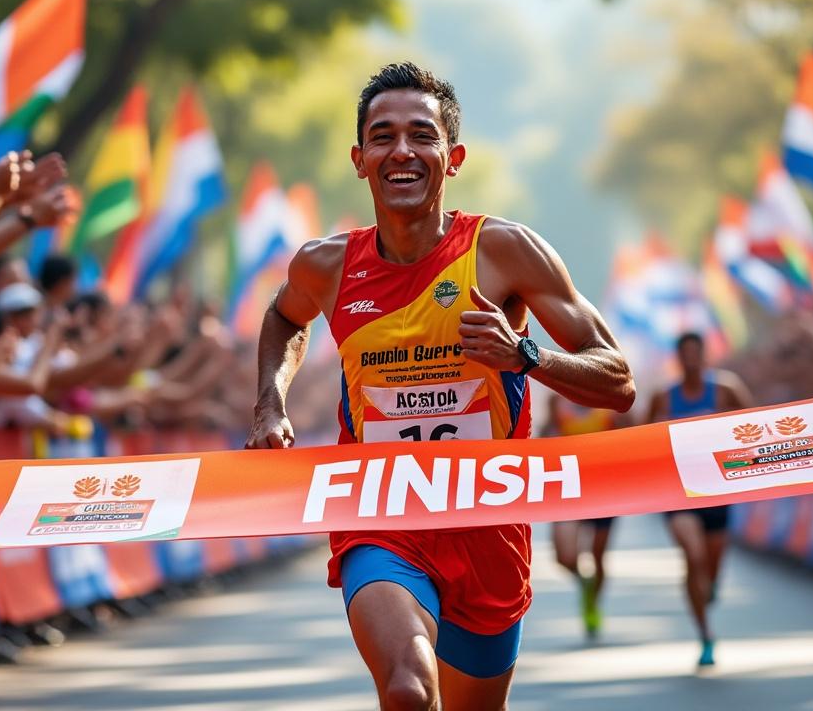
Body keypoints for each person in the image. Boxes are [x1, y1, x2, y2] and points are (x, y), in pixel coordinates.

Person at [247, 62, 634, 710]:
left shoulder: (503, 252)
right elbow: (284, 318)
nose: (402, 150)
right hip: (381, 516)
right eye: (383, 136)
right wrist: (269, 399)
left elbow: (616, 379)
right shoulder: (326, 265)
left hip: (489, 529)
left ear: (451, 158)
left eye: (421, 136)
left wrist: (526, 355)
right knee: (407, 687)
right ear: (359, 158)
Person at [647, 331, 753, 668]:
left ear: (705, 355)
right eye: (685, 353)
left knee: (710, 572)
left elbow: (754, 425)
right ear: (679, 358)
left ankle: (707, 591)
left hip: (718, 492)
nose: (691, 358)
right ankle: (706, 636)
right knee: (693, 557)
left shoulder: (726, 389)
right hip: (678, 494)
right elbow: (641, 441)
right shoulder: (663, 398)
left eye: (697, 352)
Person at [543, 393, 623, 640]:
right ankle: (585, 583)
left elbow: (630, 436)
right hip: (569, 489)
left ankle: (592, 606)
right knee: (564, 557)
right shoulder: (558, 401)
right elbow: (545, 435)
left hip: (603, 490)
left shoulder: (608, 401)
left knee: (598, 556)